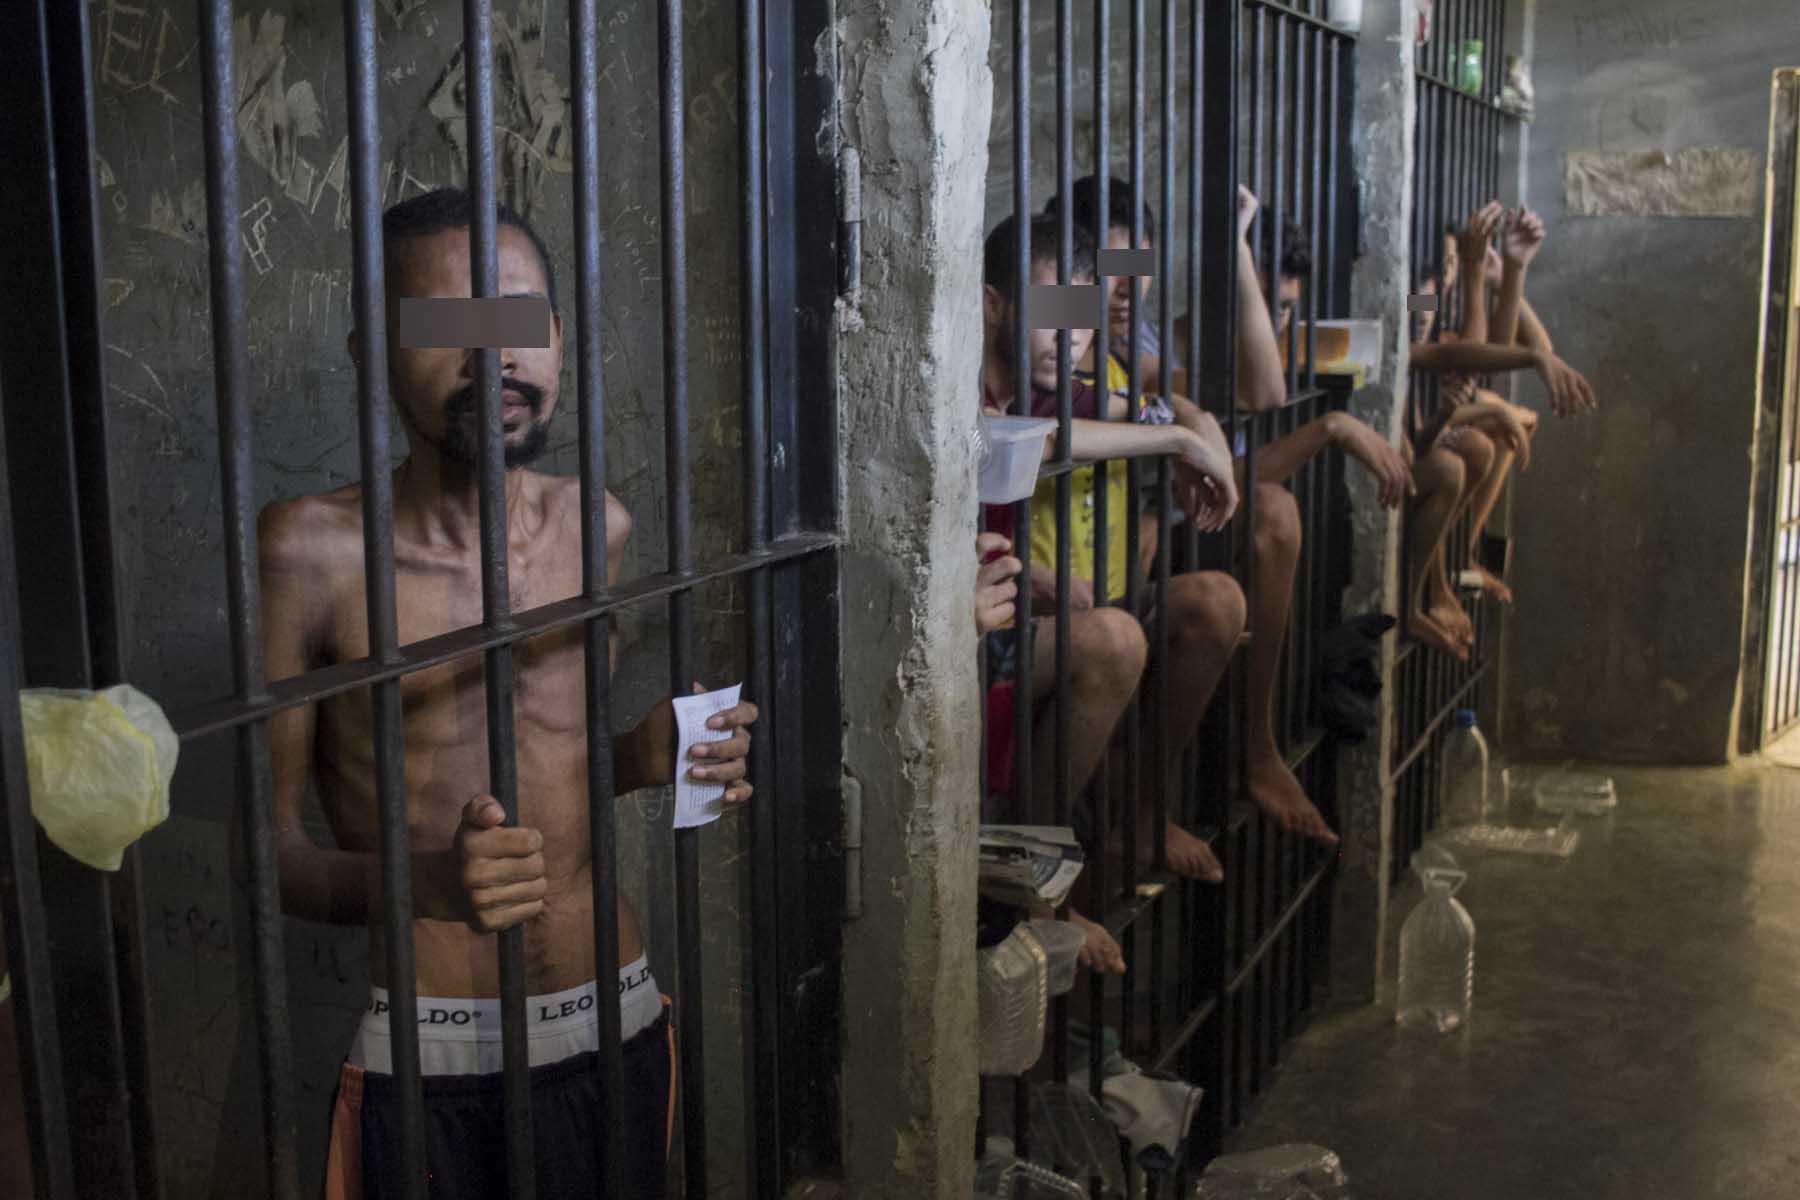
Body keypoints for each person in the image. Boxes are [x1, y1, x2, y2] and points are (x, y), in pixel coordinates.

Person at [259, 188, 759, 1199]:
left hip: (612, 1016)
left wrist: (639, 757)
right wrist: (423, 887)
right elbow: (268, 858)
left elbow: (546, 763)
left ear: (559, 340)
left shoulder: (597, 527)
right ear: (373, 354)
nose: (497, 362)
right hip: (438, 1052)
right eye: (451, 329)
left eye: (520, 325)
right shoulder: (310, 553)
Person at [1053, 179, 1407, 845]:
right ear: (1070, 270)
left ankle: (1246, 754)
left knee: (1268, 514)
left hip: (1152, 549)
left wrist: (1192, 426)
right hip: (1086, 573)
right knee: (1264, 515)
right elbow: (1247, 392)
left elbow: (1258, 390)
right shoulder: (1067, 346)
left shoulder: (1138, 339)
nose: (1127, 288)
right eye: (1110, 269)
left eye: (1141, 270)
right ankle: (1184, 788)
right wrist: (1313, 427)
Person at [980, 212, 1245, 960]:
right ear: (993, 306)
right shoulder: (963, 377)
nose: (1071, 344)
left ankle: (1127, 822)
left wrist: (1195, 430)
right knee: (1115, 638)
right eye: (1051, 317)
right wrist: (1181, 439)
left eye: (1084, 323)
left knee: (1193, 603)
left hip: (1006, 611)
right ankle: (1028, 885)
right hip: (952, 631)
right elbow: (1047, 439)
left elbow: (1129, 409)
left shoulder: (1051, 378)